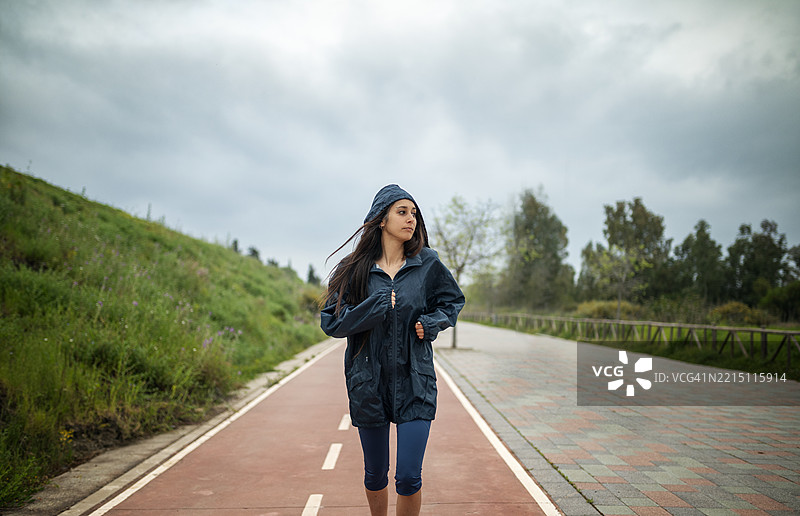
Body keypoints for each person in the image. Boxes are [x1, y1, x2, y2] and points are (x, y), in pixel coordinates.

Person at [321, 184, 465, 516]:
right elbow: (332, 322)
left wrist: (430, 325)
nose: (411, 219)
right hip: (368, 383)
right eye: (402, 212)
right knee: (375, 474)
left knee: (409, 477)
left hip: (416, 382)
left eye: (414, 213)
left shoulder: (427, 264)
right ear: (381, 219)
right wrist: (376, 306)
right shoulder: (354, 268)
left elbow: (453, 301)